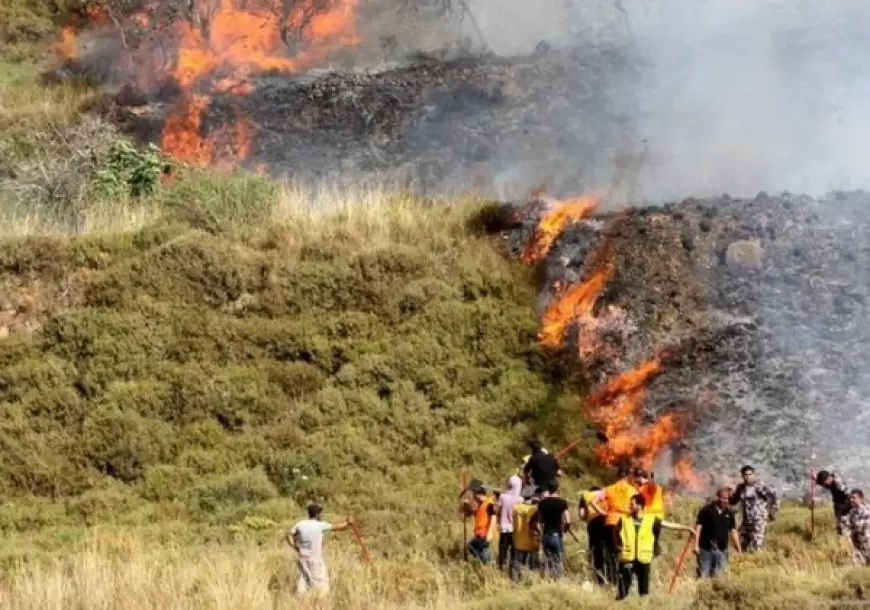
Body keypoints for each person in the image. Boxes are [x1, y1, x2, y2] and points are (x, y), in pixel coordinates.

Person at [614, 493, 694, 600]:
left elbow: (669, 525)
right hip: (628, 557)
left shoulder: (651, 519)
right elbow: (615, 531)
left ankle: (643, 605)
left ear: (640, 505)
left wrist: (686, 527)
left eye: (632, 504)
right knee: (623, 587)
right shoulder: (624, 519)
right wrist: (617, 544)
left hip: (644, 557)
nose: (630, 506)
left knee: (644, 589)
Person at [287, 503, 352, 596]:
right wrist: (348, 523)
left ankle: (300, 601)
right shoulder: (319, 525)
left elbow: (289, 535)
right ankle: (321, 602)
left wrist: (295, 547)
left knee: (304, 580)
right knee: (321, 583)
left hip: (302, 557)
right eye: (320, 513)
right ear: (317, 514)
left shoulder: (300, 524)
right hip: (314, 558)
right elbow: (339, 527)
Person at [589, 464, 638, 584]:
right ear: (627, 476)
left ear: (617, 476)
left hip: (610, 522)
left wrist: (603, 512)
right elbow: (638, 506)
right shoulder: (632, 490)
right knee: (625, 553)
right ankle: (624, 580)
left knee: (611, 554)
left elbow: (593, 501)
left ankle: (612, 580)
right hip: (625, 523)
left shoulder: (608, 489)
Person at [729, 465, 779, 552]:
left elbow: (774, 495)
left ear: (753, 474)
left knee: (756, 542)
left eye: (750, 474)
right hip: (746, 520)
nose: (748, 477)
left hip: (758, 518)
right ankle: (744, 560)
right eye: (745, 475)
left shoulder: (760, 486)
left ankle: (758, 560)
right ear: (742, 476)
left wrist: (773, 510)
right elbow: (734, 501)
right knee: (741, 541)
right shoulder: (741, 488)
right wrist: (729, 494)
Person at [695, 487, 741, 578]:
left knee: (720, 576)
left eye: (728, 499)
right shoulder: (707, 510)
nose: (726, 501)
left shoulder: (729, 514)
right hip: (706, 549)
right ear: (718, 497)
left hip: (722, 550)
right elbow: (699, 526)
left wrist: (739, 549)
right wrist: (696, 545)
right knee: (704, 573)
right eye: (723, 498)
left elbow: (733, 531)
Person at [537, 481, 571, 579]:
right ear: (557, 488)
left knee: (546, 560)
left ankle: (546, 580)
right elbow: (568, 520)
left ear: (548, 489)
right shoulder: (562, 502)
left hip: (546, 534)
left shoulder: (542, 503)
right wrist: (565, 530)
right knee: (558, 560)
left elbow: (540, 520)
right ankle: (557, 581)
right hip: (556, 535)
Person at [579, 485, 608, 584]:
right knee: (608, 551)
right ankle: (611, 577)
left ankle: (599, 579)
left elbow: (582, 515)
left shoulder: (585, 496)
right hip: (607, 523)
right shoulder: (605, 493)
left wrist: (587, 518)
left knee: (595, 552)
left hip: (593, 525)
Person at [495, 475, 524, 570]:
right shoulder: (520, 499)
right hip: (515, 528)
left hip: (504, 527)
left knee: (503, 550)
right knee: (514, 550)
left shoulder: (502, 497)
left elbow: (496, 510)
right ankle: (513, 568)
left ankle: (501, 567)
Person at [462, 481, 495, 563]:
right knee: (472, 547)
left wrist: (489, 533)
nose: (473, 496)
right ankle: (485, 562)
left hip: (484, 533)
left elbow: (493, 518)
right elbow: (473, 513)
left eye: (474, 493)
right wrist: (467, 506)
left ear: (477, 494)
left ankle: (487, 563)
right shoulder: (480, 504)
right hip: (479, 533)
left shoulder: (489, 503)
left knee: (481, 552)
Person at [635, 468, 665, 556]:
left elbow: (653, 484)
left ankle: (654, 553)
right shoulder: (642, 488)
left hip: (655, 518)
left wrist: (648, 481)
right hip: (646, 517)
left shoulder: (652, 487)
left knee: (653, 539)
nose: (637, 480)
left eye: (638, 477)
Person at [814, 469, 853, 537]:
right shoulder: (831, 481)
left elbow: (849, 493)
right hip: (840, 508)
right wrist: (815, 479)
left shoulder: (838, 483)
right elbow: (826, 485)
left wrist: (850, 506)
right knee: (840, 528)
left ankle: (846, 543)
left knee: (845, 529)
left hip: (845, 509)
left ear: (828, 478)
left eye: (824, 482)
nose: (824, 484)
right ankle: (843, 541)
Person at [510, 497, 540, 582]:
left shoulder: (516, 507)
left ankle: (515, 581)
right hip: (531, 541)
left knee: (517, 564)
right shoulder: (533, 508)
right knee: (530, 565)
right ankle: (528, 581)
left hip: (518, 540)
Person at [848, 489, 870, 565]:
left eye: (854, 498)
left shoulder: (867, 511)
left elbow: (860, 527)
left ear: (860, 498)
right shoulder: (852, 512)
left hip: (867, 543)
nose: (851, 500)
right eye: (851, 498)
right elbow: (849, 526)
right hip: (857, 544)